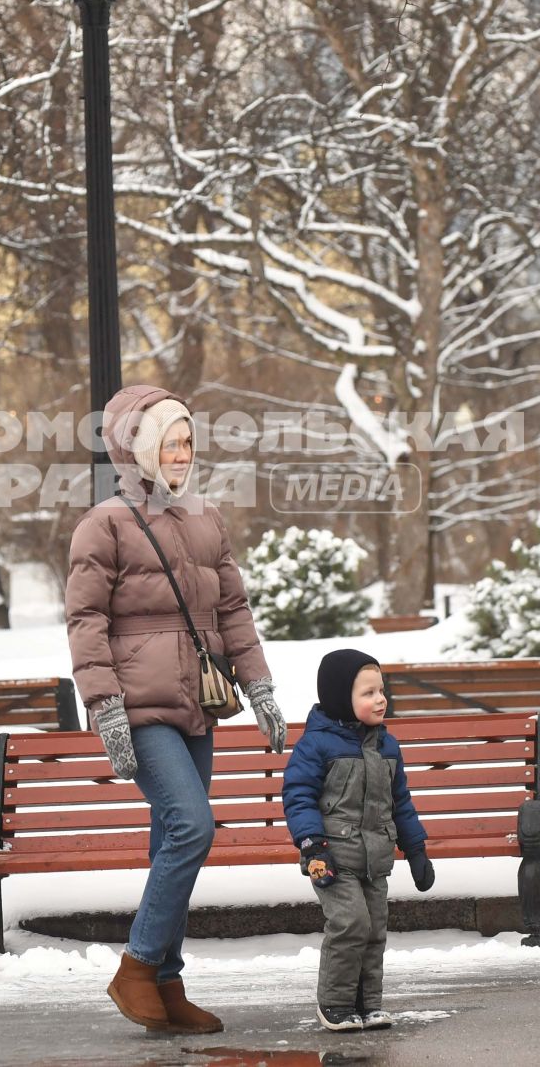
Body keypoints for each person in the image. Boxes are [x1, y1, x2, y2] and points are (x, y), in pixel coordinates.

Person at [67, 383, 286, 1035]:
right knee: (194, 826)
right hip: (139, 707)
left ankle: (166, 982)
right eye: (171, 441)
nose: (184, 453)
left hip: (196, 703)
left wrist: (262, 688)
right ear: (139, 447)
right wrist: (105, 706)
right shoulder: (102, 524)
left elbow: (233, 614)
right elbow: (85, 622)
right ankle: (136, 965)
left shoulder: (205, 519)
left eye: (189, 440)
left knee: (173, 836)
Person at [282, 648, 436, 1032]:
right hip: (331, 856)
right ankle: (334, 1004)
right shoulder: (316, 746)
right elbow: (298, 796)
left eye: (380, 690)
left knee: (374, 929)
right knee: (350, 923)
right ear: (340, 698)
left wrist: (416, 849)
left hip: (376, 857)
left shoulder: (388, 747)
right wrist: (312, 844)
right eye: (368, 693)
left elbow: (400, 802)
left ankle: (368, 1004)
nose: (380, 699)